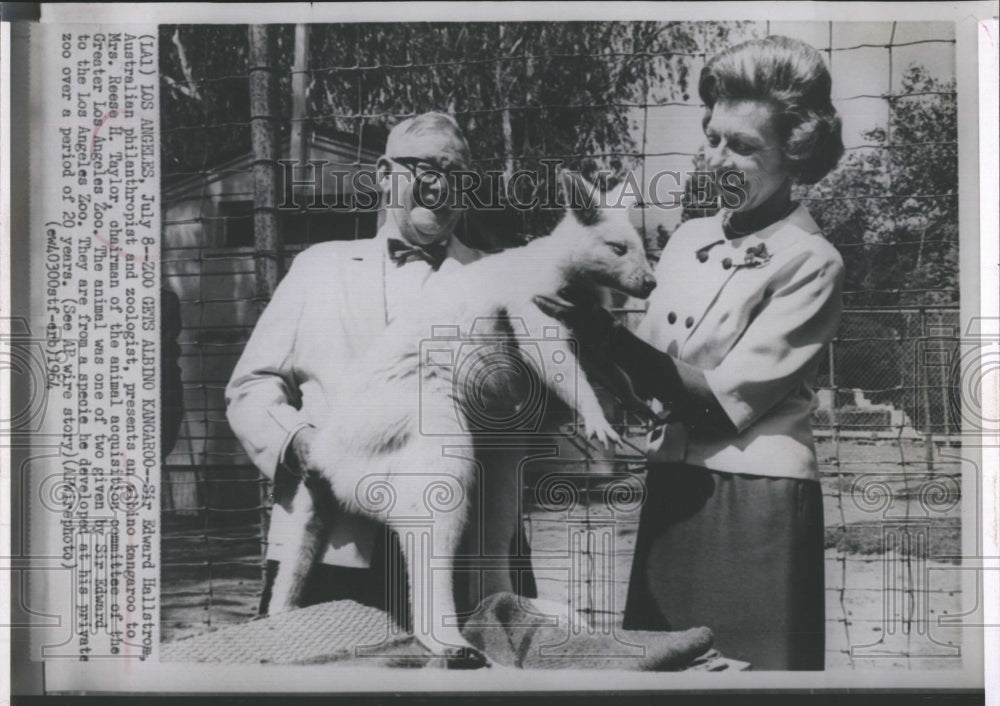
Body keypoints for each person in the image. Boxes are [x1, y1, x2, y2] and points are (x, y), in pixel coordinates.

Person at [535, 36, 844, 670]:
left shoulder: (813, 261)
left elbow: (721, 405)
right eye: (713, 139)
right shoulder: (686, 239)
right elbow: (644, 381)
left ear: (797, 152)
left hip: (754, 497)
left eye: (744, 147)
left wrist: (603, 334)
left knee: (749, 672)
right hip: (671, 483)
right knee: (661, 668)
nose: (718, 160)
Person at [226, 112, 536, 626]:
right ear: (384, 174)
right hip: (336, 550)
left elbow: (526, 416)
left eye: (457, 175)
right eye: (424, 168)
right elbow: (251, 387)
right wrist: (301, 444)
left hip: (459, 553)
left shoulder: (497, 278)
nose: (441, 186)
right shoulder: (318, 268)